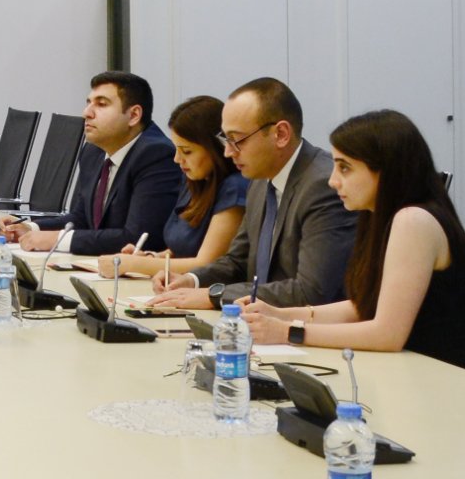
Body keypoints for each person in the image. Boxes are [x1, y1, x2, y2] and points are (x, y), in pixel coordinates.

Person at [239, 110, 465, 371]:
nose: (332, 181)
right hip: (424, 371)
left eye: (345, 168)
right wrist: (279, 314)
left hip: (464, 379)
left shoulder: (413, 221)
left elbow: (387, 335)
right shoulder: (379, 217)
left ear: (386, 171)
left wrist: (287, 331)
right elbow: (364, 306)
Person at [150, 77, 355, 308]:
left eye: (237, 140)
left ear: (281, 134)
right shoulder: (259, 181)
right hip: (262, 320)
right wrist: (192, 280)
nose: (228, 152)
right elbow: (237, 261)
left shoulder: (323, 186)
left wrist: (214, 295)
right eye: (225, 139)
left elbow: (311, 291)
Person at [0, 72, 182, 256]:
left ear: (133, 115)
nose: (87, 113)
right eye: (88, 103)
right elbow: (83, 218)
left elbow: (139, 237)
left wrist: (57, 239)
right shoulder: (93, 151)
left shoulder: (156, 155)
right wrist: (31, 228)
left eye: (101, 104)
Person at [93, 95, 247, 279]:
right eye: (176, 149)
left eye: (187, 151)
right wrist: (151, 257)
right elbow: (180, 250)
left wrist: (133, 264)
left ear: (215, 149)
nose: (177, 159)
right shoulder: (193, 181)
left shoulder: (234, 187)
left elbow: (206, 264)